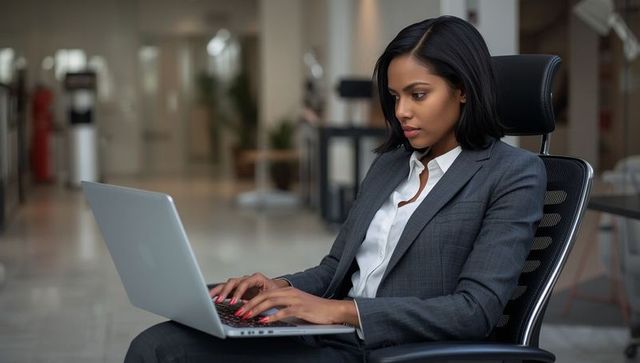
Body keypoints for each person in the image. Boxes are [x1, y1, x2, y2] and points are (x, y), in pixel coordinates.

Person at [125, 15, 546, 362]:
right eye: (395, 96)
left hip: (392, 349)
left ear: (463, 90)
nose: (401, 111)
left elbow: (475, 310)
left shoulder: (512, 174)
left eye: (419, 95)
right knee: (157, 345)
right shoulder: (390, 164)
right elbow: (334, 269)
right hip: (330, 334)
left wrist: (342, 311)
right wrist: (278, 288)